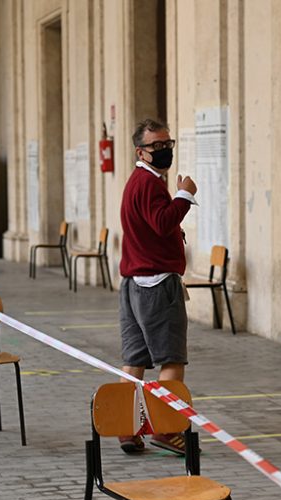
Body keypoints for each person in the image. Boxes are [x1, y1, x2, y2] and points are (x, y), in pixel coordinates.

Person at [117, 118, 197, 455]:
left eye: (169, 144)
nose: (164, 151)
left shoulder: (138, 181)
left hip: (134, 284)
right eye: (157, 147)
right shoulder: (149, 184)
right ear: (141, 151)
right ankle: (165, 430)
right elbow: (163, 223)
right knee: (171, 360)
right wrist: (185, 195)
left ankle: (125, 426)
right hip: (157, 285)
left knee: (135, 360)